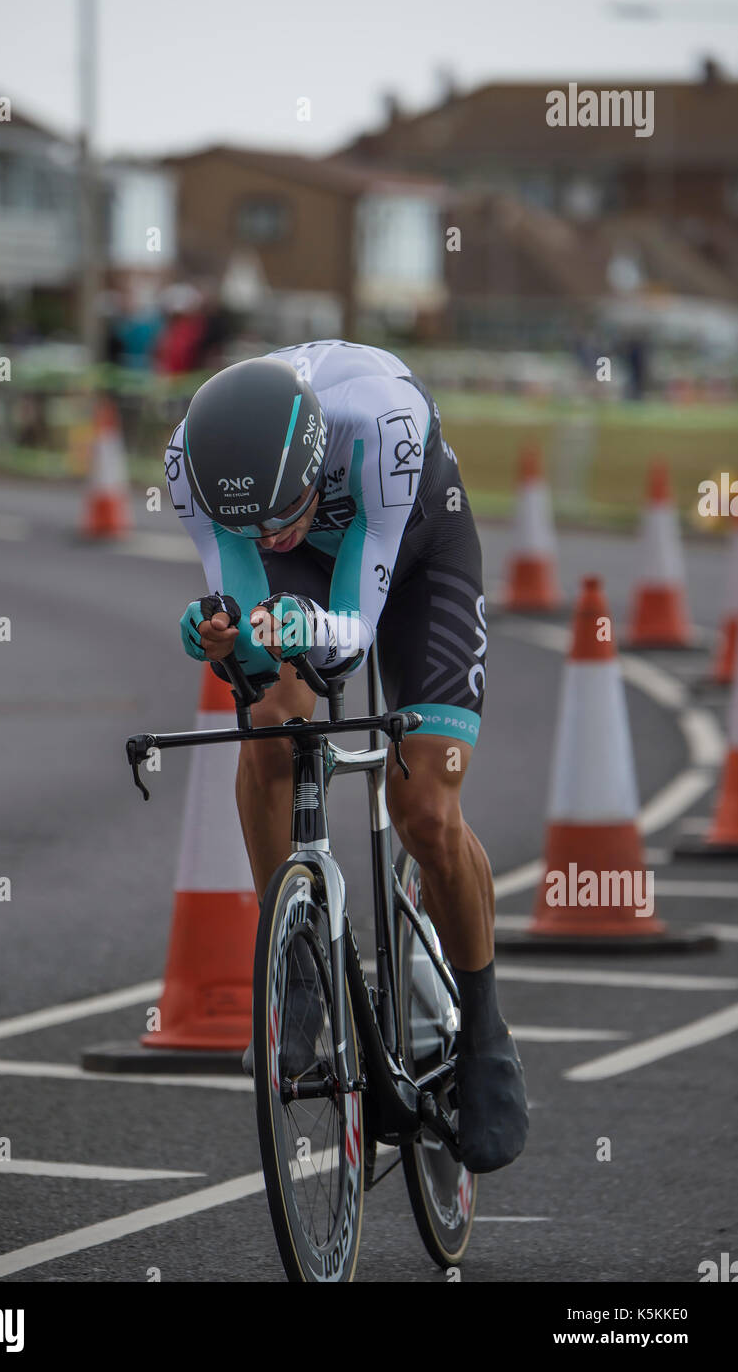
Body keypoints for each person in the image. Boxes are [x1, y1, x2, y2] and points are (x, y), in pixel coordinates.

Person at [164, 340, 528, 1174]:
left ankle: (485, 1028)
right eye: (247, 523)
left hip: (413, 553)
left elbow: (353, 637)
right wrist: (225, 636)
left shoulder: (382, 425)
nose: (266, 532)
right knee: (268, 741)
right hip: (303, 568)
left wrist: (305, 629)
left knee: (425, 809)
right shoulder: (191, 459)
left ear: (315, 457)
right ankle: (293, 964)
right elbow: (249, 610)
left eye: (280, 512)